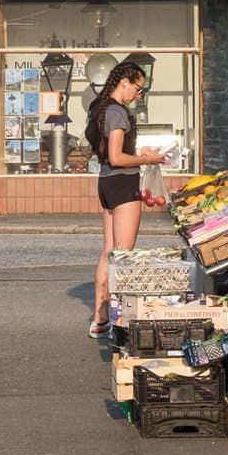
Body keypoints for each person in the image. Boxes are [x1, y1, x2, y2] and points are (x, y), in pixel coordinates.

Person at [85, 60, 165, 337]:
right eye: (138, 89)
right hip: (123, 182)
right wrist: (147, 159)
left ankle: (100, 318)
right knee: (123, 254)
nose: (138, 95)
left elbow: (110, 154)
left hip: (106, 181)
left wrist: (139, 153)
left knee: (109, 250)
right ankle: (119, 319)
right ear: (125, 82)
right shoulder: (118, 112)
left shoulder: (100, 107)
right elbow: (117, 157)